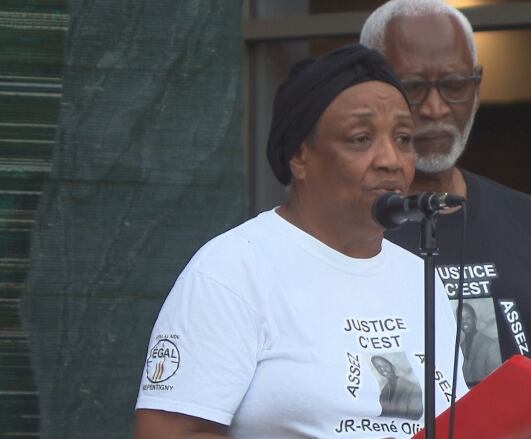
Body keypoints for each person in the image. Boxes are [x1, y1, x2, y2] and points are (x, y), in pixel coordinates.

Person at [132, 44, 467, 439]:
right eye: (360, 139)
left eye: (404, 139)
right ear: (300, 156)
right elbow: (169, 433)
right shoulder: (232, 271)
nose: (391, 160)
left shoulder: (419, 276)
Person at [360, 1, 531, 438]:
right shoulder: (341, 231)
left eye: (455, 85)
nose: (436, 107)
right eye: (413, 88)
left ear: (477, 85)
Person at [459, 303, 502, 385]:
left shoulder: (490, 345)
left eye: (468, 318)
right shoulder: (460, 348)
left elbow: (497, 380)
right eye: (461, 318)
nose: (464, 321)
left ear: (475, 319)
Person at [371, 355, 423, 420]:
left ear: (392, 366)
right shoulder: (384, 392)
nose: (382, 369)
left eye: (385, 366)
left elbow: (415, 417)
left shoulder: (412, 389)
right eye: (378, 367)